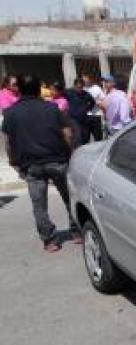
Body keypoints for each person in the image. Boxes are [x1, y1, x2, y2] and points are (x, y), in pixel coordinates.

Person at [2, 74, 77, 252]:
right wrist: (72, 153)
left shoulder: (10, 113)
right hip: (57, 160)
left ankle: (50, 241)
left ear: (19, 89)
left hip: (31, 165)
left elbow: (8, 142)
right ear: (39, 89)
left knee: (39, 205)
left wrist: (14, 163)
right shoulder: (52, 108)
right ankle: (77, 232)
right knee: (70, 197)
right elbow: (67, 134)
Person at [65, 78, 96, 146]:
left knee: (85, 137)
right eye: (78, 87)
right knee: (78, 137)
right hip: (73, 119)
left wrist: (87, 109)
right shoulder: (69, 93)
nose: (80, 89)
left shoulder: (86, 94)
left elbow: (93, 102)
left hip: (84, 118)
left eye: (81, 87)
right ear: (75, 86)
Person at [82, 74, 105, 141]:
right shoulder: (82, 89)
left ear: (90, 79)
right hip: (85, 116)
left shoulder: (97, 88)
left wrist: (97, 102)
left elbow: (103, 100)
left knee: (98, 137)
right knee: (85, 138)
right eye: (83, 80)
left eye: (86, 80)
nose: (84, 82)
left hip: (96, 115)